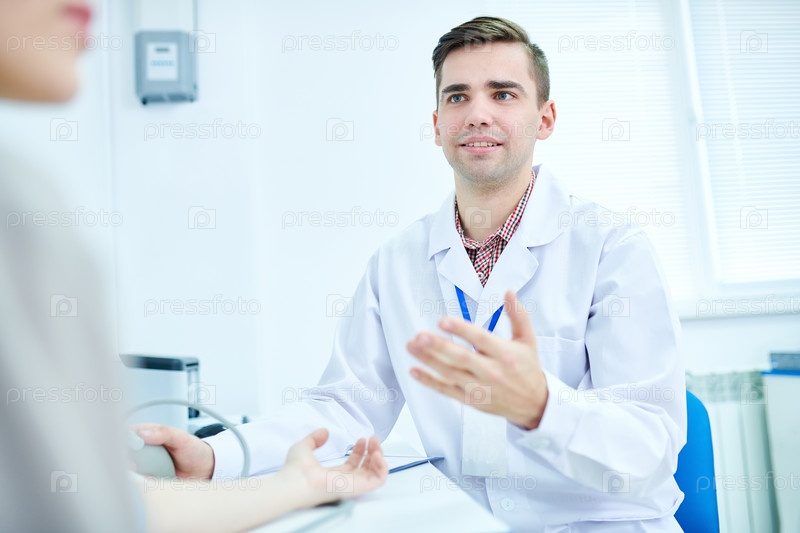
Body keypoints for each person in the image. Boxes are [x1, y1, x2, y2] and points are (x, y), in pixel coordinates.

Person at [141, 15, 687, 532]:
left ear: (544, 119)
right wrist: (216, 457)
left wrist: (543, 407)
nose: (477, 114)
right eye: (458, 97)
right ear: (437, 126)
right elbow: (345, 408)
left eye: (503, 94)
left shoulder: (612, 248)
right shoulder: (398, 263)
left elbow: (651, 447)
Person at [0, 1, 386, 532]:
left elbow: (128, 507)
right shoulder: (20, 216)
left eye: (499, 93)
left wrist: (298, 482)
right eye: (457, 95)